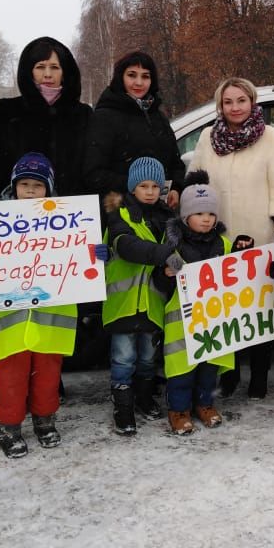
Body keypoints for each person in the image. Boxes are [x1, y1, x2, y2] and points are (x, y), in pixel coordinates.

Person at [0, 153, 97, 458]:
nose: (29, 190)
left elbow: (81, 256)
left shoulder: (67, 222)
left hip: (50, 317)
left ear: (48, 189)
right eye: (23, 184)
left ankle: (45, 420)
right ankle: (9, 426)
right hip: (9, 319)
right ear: (13, 186)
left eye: (37, 185)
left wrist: (96, 252)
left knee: (47, 374)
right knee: (9, 375)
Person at [188, 77, 274, 399]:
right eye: (228, 102)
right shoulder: (209, 137)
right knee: (225, 309)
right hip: (217, 237)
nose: (235, 108)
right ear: (220, 106)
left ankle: (259, 376)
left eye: (241, 100)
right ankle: (229, 374)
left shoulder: (271, 138)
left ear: (252, 102)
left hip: (258, 234)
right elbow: (196, 179)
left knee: (258, 311)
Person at [155, 171, 235, 435]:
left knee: (209, 368)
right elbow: (159, 285)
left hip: (212, 320)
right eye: (200, 214)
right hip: (181, 322)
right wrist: (166, 275)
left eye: (211, 214)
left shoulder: (223, 244)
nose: (206, 219)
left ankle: (205, 404)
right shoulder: (172, 246)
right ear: (186, 216)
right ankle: (178, 410)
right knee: (181, 370)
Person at [101, 156, 175, 435]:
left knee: (147, 357)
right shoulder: (119, 214)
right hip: (123, 303)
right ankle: (123, 405)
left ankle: (144, 396)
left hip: (153, 302)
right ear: (132, 188)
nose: (150, 191)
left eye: (155, 185)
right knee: (123, 357)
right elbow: (127, 247)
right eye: (143, 185)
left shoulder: (169, 220)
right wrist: (167, 255)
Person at [0, 36, 92, 201]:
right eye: (40, 67)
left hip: (71, 214)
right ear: (29, 71)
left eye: (55, 67)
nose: (47, 74)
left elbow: (91, 169)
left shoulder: (83, 114)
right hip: (18, 216)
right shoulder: (7, 111)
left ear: (65, 72)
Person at [84, 50, 186, 209]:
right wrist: (136, 185)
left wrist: (176, 188)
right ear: (120, 78)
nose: (139, 83)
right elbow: (93, 173)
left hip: (160, 213)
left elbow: (175, 162)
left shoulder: (158, 117)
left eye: (145, 76)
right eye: (132, 75)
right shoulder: (105, 116)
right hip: (122, 213)